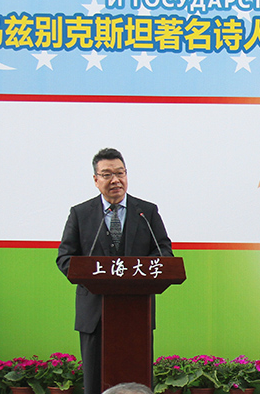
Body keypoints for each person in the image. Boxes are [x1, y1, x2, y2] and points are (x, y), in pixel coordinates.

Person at [56, 148, 173, 394]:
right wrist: (90, 274)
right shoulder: (81, 213)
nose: (115, 180)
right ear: (95, 179)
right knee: (95, 381)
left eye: (120, 173)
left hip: (137, 313)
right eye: (107, 174)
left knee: (137, 380)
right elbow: (65, 257)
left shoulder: (146, 212)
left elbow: (163, 252)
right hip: (94, 313)